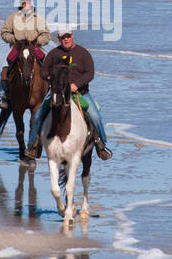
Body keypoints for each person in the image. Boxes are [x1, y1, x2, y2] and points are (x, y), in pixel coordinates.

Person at [27, 28, 111, 160]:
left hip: (80, 92)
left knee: (96, 117)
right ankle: (33, 145)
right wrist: (50, 78)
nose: (66, 39)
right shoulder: (54, 53)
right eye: (63, 37)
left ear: (72, 36)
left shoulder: (83, 53)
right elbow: (43, 71)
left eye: (68, 36)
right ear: (59, 39)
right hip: (56, 92)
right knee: (38, 115)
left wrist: (76, 85)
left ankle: (101, 146)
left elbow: (90, 73)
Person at [0, 0, 50, 109]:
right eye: (23, 2)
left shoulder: (39, 18)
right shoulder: (12, 17)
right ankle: (4, 96)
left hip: (34, 47)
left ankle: (49, 92)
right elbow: (4, 32)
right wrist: (14, 39)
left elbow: (46, 35)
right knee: (2, 68)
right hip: (17, 48)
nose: (25, 4)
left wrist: (37, 41)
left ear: (31, 3)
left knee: (48, 65)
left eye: (27, 2)